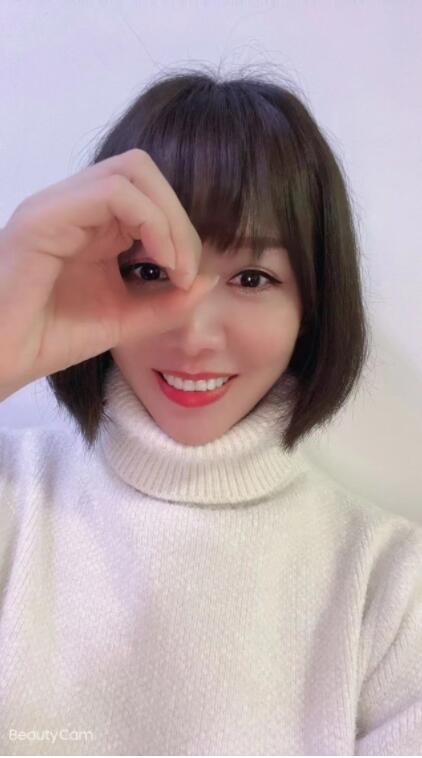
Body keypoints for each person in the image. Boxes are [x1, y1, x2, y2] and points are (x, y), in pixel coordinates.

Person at [0, 66, 421, 756]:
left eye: (252, 278)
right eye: (149, 271)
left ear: (313, 306)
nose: (193, 334)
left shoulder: (391, 587)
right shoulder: (14, 500)